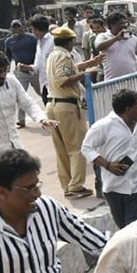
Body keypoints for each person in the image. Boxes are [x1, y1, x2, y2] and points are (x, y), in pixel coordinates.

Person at [82, 89, 137, 228]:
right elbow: (86, 148)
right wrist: (107, 165)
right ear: (128, 109)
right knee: (124, 228)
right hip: (115, 187)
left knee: (133, 227)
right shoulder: (103, 126)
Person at [44, 26, 104, 198]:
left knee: (62, 150)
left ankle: (67, 185)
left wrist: (89, 63)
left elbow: (70, 69)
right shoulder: (64, 56)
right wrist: (86, 74)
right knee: (77, 147)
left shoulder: (54, 55)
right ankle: (76, 186)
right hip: (67, 106)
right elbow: (62, 80)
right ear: (69, 42)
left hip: (53, 104)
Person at [95, 12, 137, 80]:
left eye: (126, 23)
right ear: (111, 25)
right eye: (121, 23)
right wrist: (116, 38)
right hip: (112, 81)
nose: (124, 26)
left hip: (132, 80)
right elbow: (98, 47)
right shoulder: (103, 36)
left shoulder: (133, 38)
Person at [4, 20, 39, 127]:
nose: (17, 29)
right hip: (20, 72)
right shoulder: (9, 41)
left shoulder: (31, 38)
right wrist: (6, 68)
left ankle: (50, 112)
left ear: (22, 27)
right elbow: (7, 56)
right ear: (11, 29)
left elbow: (39, 51)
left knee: (43, 92)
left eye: (18, 26)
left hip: (34, 70)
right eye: (14, 27)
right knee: (20, 95)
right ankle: (21, 119)